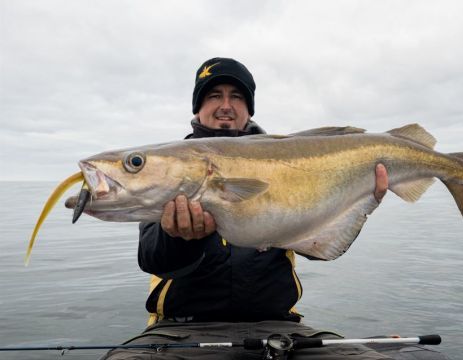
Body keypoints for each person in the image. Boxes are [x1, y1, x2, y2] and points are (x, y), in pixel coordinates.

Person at [101, 58, 392, 360]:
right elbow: (152, 257)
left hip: (281, 329)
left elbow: (318, 246)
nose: (226, 105)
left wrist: (359, 200)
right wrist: (180, 238)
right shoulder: (165, 177)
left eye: (236, 96)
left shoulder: (290, 159)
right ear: (197, 108)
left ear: (249, 109)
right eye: (214, 95)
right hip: (180, 333)